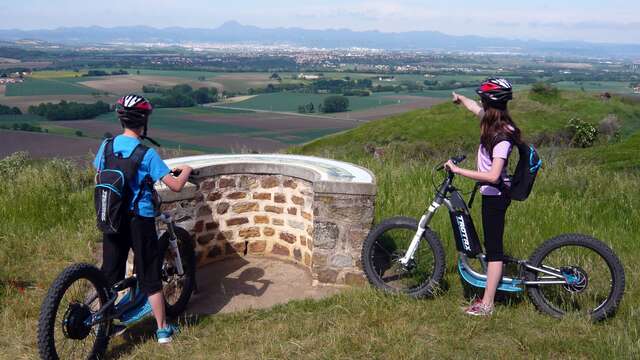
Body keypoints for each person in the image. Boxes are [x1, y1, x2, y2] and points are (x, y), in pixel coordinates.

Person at [94, 94, 193, 343]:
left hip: (111, 216)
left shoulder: (105, 146)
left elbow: (99, 175)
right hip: (140, 219)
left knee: (110, 273)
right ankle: (163, 331)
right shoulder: (146, 154)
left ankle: (104, 324)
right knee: (150, 275)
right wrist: (188, 170)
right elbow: (176, 185)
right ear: (143, 122)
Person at [447, 78, 521, 316]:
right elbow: (475, 109)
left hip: (496, 196)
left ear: (491, 102)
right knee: (492, 246)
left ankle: (487, 305)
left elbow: (493, 175)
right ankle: (489, 292)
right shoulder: (494, 123)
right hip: (492, 194)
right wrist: (461, 100)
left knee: (494, 251)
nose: (479, 102)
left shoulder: (501, 136)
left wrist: (458, 171)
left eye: (483, 99)